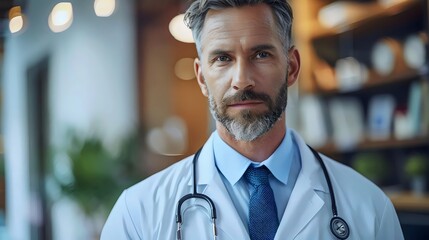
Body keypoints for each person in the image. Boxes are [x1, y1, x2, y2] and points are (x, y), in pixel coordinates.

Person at [101, 0, 404, 239]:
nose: (242, 80)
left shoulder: (369, 207)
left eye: (261, 54)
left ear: (292, 67)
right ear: (201, 77)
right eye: (222, 58)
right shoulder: (138, 214)